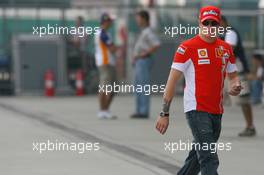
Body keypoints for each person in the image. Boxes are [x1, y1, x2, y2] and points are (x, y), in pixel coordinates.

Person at [156, 6, 242, 175]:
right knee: (209, 158)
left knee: (195, 159)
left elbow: (233, 76)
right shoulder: (187, 47)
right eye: (206, 23)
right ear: (199, 24)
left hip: (217, 111)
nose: (210, 28)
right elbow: (171, 82)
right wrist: (164, 113)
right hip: (196, 110)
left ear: (220, 26)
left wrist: (235, 85)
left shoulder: (225, 48)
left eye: (214, 24)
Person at [220, 16, 256, 137]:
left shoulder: (230, 32)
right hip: (228, 72)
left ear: (223, 22)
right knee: (217, 100)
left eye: (216, 23)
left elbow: (229, 50)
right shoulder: (220, 35)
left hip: (237, 72)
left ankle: (250, 126)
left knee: (244, 100)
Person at [130, 10, 160, 119]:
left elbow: (156, 44)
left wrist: (144, 54)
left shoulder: (148, 32)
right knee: (138, 86)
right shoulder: (143, 31)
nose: (137, 21)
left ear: (144, 19)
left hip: (143, 60)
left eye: (138, 18)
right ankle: (139, 110)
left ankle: (143, 111)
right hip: (139, 61)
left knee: (142, 86)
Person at [94, 13, 119, 119]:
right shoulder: (102, 33)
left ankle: (105, 109)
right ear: (105, 21)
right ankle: (102, 110)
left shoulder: (104, 33)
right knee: (104, 87)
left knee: (113, 87)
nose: (111, 23)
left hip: (108, 63)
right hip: (105, 63)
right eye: (109, 21)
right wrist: (118, 48)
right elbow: (112, 48)